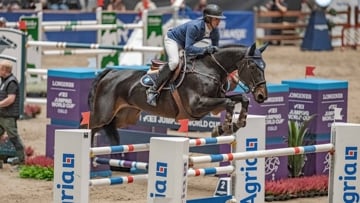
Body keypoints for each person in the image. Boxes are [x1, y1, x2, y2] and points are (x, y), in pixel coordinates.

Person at [146, 4, 226, 106]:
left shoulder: (215, 30)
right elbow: (188, 49)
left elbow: (215, 50)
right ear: (208, 18)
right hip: (173, 40)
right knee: (174, 62)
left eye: (219, 19)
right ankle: (152, 90)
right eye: (216, 19)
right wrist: (206, 49)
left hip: (185, 43)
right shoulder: (195, 26)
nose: (219, 22)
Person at [0, 60, 25, 165]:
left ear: (4, 70)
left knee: (13, 137)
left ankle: (21, 159)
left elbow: (10, 99)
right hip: (2, 115)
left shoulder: (11, 82)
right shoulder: (4, 81)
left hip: (8, 116)